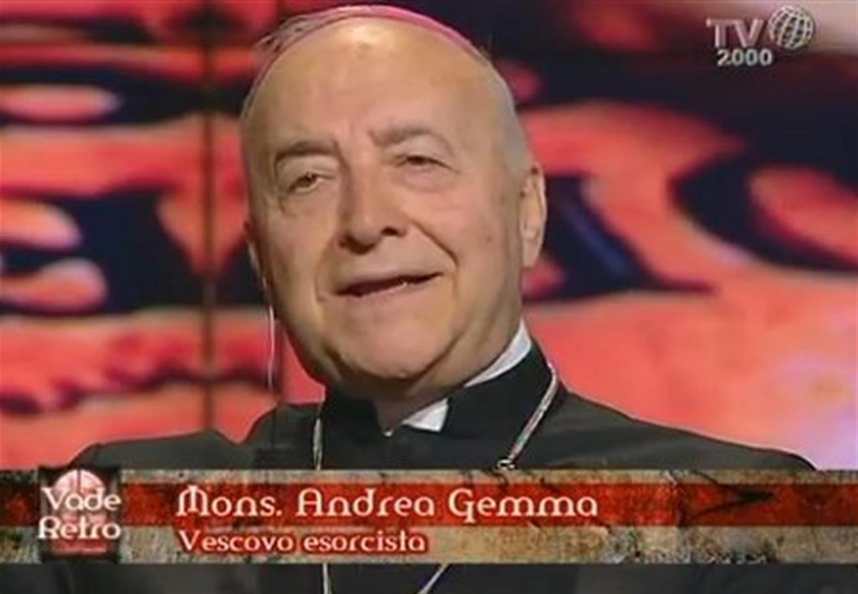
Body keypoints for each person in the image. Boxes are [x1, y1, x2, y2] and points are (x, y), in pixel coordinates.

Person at [3, 5, 854, 594]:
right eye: (308, 179)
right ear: (261, 256)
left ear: (527, 213)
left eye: (417, 162)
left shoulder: (735, 520)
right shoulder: (122, 514)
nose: (365, 222)